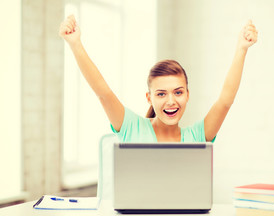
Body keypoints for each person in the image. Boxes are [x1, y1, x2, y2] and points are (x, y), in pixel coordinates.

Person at [59, 15, 258, 143]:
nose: (171, 101)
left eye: (178, 92)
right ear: (149, 97)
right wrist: (75, 44)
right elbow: (103, 92)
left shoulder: (197, 137)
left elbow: (225, 101)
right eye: (161, 94)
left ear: (187, 95)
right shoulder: (131, 128)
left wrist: (241, 49)